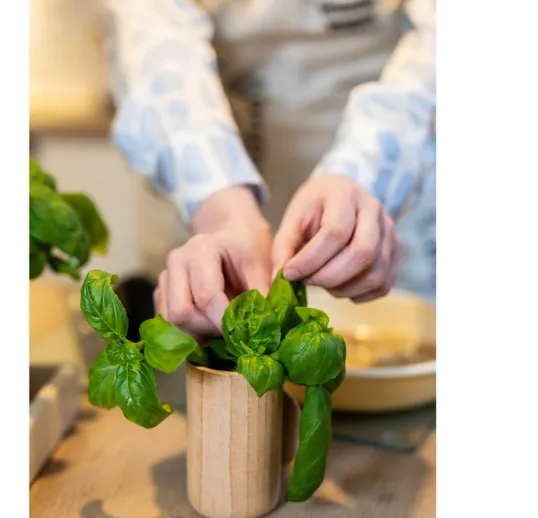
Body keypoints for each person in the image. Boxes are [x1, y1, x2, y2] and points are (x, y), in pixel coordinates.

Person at [102, 0, 435, 337]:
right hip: (199, 166)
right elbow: (153, 26)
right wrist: (222, 212)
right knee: (201, 328)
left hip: (394, 166)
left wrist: (365, 172)